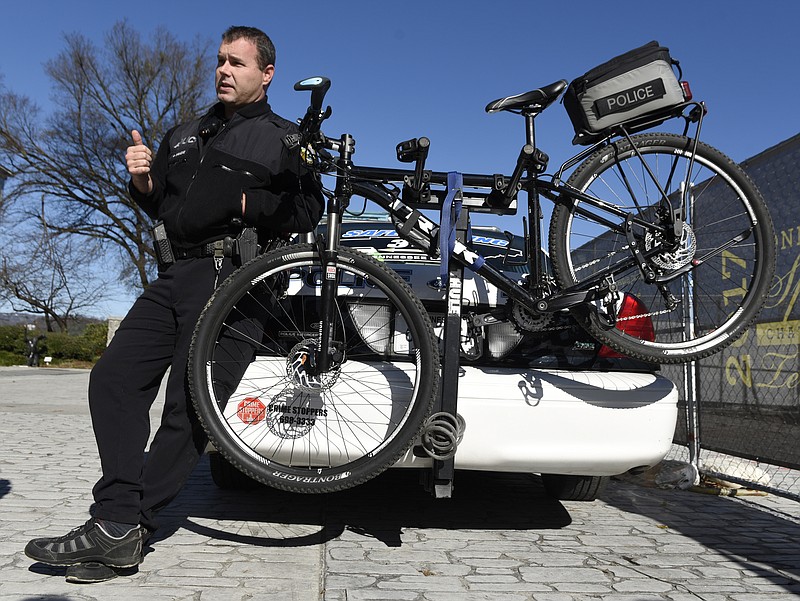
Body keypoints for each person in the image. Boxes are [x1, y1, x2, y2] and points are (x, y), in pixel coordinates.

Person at [24, 25, 323, 582]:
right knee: (112, 379)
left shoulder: (283, 138)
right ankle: (120, 523)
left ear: (267, 74)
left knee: (189, 407)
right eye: (219, 61)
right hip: (175, 274)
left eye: (236, 63)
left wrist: (243, 200)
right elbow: (164, 206)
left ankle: (119, 525)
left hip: (237, 282)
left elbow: (309, 209)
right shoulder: (185, 134)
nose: (224, 71)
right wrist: (142, 182)